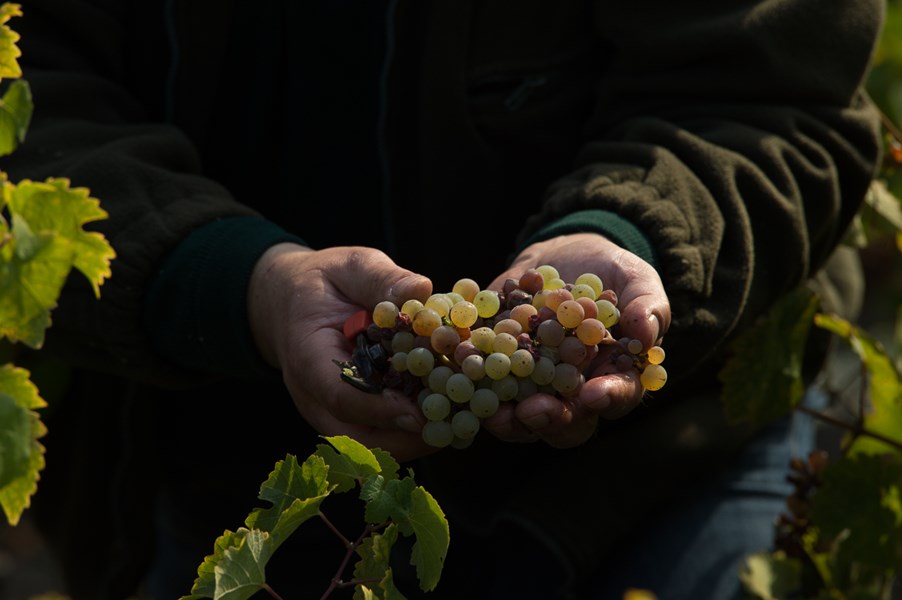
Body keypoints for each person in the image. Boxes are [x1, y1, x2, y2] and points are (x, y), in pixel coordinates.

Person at [1, 1, 884, 598]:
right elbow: (30, 99)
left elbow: (772, 100)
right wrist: (235, 281)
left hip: (674, 461)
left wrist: (630, 233)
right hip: (211, 485)